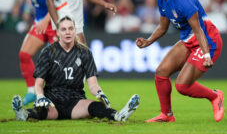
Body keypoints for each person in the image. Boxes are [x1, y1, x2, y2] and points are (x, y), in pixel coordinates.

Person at [136, 0, 224, 122]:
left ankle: (215, 96)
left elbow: (199, 30)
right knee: (161, 72)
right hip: (189, 40)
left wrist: (206, 55)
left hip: (208, 40)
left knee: (182, 86)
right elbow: (162, 28)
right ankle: (166, 115)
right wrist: (148, 42)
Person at [12, 16, 140, 121]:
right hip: (52, 102)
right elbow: (38, 84)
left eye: (70, 28)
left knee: (96, 106)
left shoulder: (85, 52)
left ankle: (117, 115)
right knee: (41, 111)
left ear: (75, 30)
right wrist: (40, 96)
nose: (67, 32)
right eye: (63, 29)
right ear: (57, 32)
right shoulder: (48, 52)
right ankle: (24, 114)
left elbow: (93, 84)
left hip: (75, 102)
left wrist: (99, 92)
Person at [0, 0, 56, 105]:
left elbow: (58, 4)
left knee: (59, 62)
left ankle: (61, 94)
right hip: (39, 24)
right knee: (24, 55)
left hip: (54, 24)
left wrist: (45, 21)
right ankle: (32, 92)